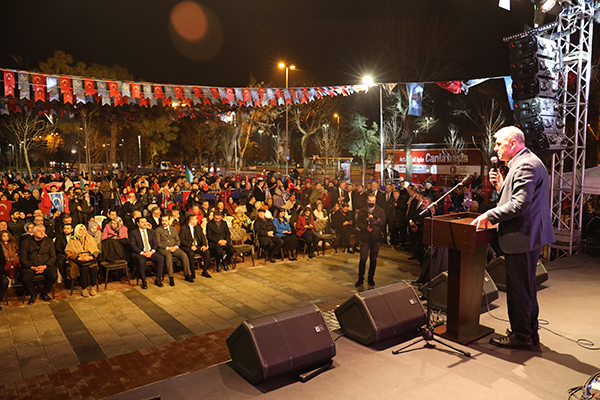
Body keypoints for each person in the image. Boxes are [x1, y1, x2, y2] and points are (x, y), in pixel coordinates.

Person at [471, 126, 555, 349]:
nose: (495, 148)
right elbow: (519, 199)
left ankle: (521, 336)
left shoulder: (525, 164)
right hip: (528, 236)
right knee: (526, 288)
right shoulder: (525, 162)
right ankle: (529, 332)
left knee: (519, 290)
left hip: (522, 237)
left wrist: (488, 215)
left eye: (499, 143)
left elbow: (519, 205)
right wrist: (501, 186)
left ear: (513, 143)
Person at [19, 225, 57, 304]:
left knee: (53, 275)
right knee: (25, 278)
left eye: (43, 231)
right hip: (31, 266)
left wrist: (45, 266)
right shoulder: (25, 242)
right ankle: (33, 294)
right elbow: (23, 258)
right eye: (39, 231)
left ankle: (44, 293)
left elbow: (53, 257)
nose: (42, 232)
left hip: (45, 265)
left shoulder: (49, 241)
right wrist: (32, 267)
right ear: (33, 232)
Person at [355, 194, 386, 287]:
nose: (371, 202)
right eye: (370, 201)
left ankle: (370, 278)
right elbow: (358, 223)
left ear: (375, 201)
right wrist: (365, 227)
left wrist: (374, 219)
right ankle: (360, 278)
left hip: (376, 238)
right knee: (363, 259)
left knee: (373, 259)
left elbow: (383, 223)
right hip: (365, 237)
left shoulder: (380, 211)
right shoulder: (362, 210)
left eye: (373, 201)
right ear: (367, 200)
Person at [156, 214, 193, 285]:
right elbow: (158, 243)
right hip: (164, 248)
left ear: (169, 220)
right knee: (168, 256)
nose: (164, 222)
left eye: (165, 221)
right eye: (163, 221)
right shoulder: (158, 230)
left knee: (184, 255)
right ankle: (171, 277)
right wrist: (167, 248)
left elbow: (178, 240)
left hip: (174, 247)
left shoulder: (173, 228)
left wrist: (176, 246)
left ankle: (187, 274)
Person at [129, 217, 165, 289]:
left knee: (161, 258)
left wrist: (152, 251)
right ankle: (143, 281)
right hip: (140, 253)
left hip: (150, 252)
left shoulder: (151, 232)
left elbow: (155, 243)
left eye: (145, 222)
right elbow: (132, 246)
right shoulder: (133, 233)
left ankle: (158, 279)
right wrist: (143, 253)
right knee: (141, 261)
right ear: (138, 224)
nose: (144, 223)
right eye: (142, 222)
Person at [66, 224, 100, 297]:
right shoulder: (72, 240)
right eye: (80, 230)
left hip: (89, 258)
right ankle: (84, 289)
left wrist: (91, 257)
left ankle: (93, 287)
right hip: (78, 260)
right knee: (83, 269)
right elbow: (68, 252)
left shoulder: (89, 238)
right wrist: (79, 258)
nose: (83, 231)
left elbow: (96, 250)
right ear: (76, 231)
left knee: (93, 268)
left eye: (84, 229)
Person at [179, 213, 211, 278]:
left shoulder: (198, 227)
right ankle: (192, 272)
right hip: (187, 246)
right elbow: (182, 240)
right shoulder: (183, 228)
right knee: (191, 254)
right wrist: (190, 246)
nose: (197, 220)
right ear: (191, 221)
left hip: (197, 245)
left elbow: (202, 236)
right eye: (195, 219)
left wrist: (204, 245)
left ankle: (205, 271)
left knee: (207, 252)